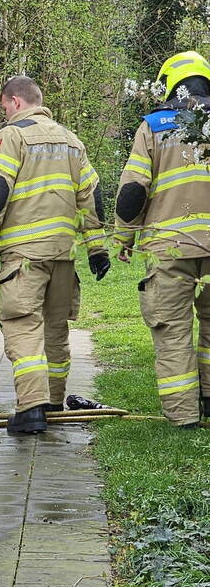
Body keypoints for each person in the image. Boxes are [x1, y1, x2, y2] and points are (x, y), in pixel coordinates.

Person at [0, 76, 108, 434]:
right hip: (62, 255)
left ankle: (31, 408)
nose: (3, 111)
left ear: (15, 101)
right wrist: (97, 248)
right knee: (56, 332)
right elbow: (91, 198)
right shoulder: (72, 141)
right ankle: (54, 405)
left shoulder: (12, 136)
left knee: (23, 326)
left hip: (24, 257)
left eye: (3, 105)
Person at [114, 51, 210, 427]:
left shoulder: (154, 126)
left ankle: (183, 416)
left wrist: (124, 238)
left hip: (169, 247)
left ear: (170, 83)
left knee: (172, 331)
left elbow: (133, 191)